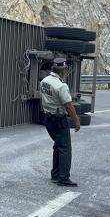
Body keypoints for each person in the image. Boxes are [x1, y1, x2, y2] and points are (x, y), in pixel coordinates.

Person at [39, 57, 81, 187]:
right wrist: (76, 121)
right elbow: (68, 106)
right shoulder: (61, 86)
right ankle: (63, 178)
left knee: (57, 145)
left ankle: (55, 174)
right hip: (59, 119)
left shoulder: (44, 81)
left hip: (48, 118)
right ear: (62, 71)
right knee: (65, 148)